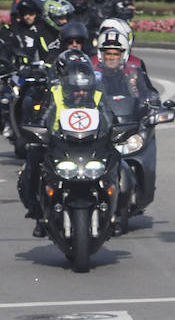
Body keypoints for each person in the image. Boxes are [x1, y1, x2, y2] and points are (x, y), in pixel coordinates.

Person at [17, 56, 114, 237]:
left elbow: (109, 119)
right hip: (57, 144)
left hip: (92, 145)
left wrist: (114, 133)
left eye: (85, 90)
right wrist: (36, 133)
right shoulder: (55, 94)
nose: (81, 94)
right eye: (76, 90)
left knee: (118, 161)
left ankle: (117, 211)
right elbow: (43, 117)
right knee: (33, 160)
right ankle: (38, 213)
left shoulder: (99, 96)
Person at [0, 0, 56, 133]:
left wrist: (48, 66)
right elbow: (5, 47)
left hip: (41, 75)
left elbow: (53, 52)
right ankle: (5, 122)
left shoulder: (46, 31)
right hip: (20, 74)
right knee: (4, 95)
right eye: (24, 14)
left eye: (31, 14)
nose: (27, 17)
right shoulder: (15, 30)